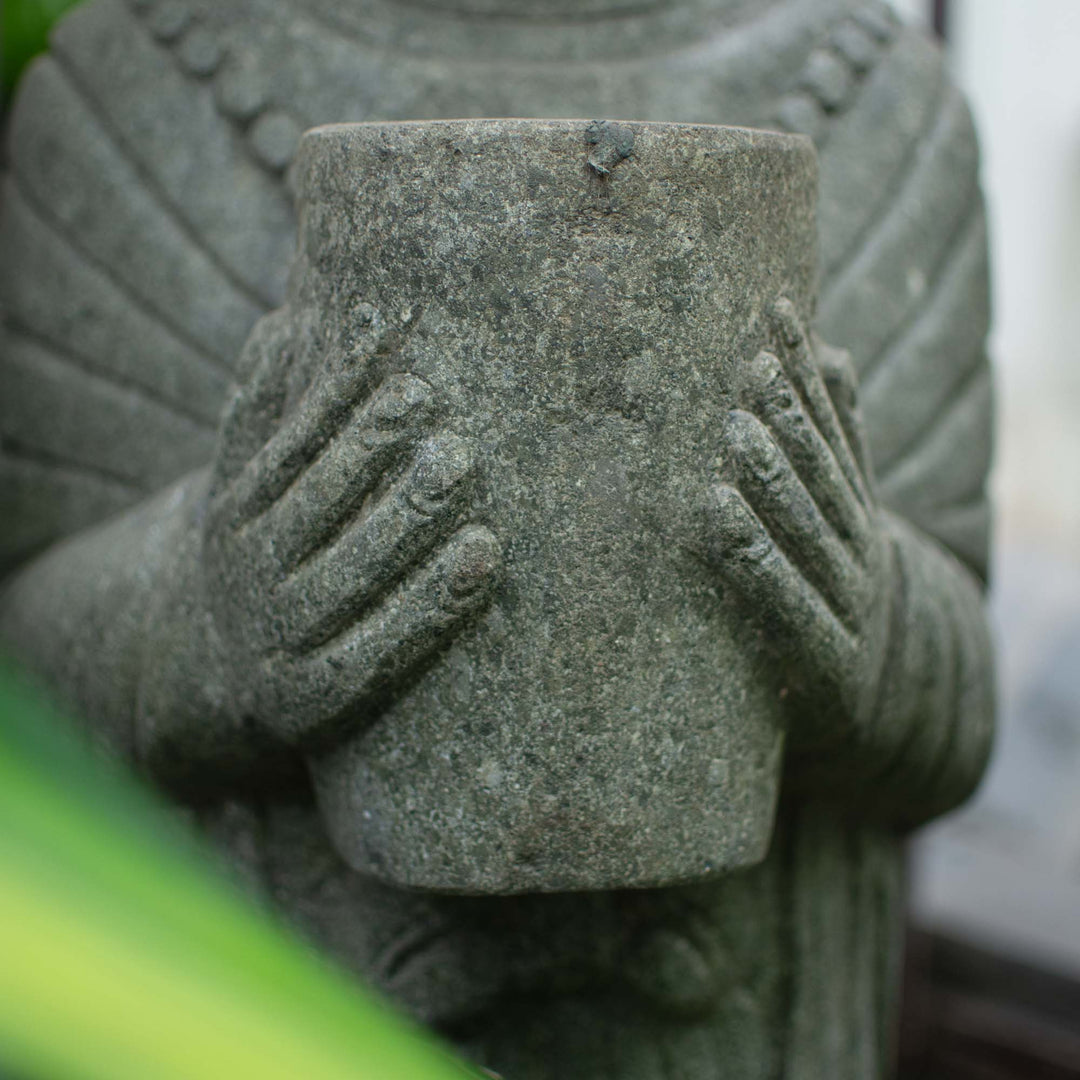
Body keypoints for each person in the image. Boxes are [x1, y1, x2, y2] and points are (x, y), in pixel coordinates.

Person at [0, 0, 993, 1074]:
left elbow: (962, 702)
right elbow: (30, 690)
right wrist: (203, 611)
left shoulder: (872, 91)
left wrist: (873, 615)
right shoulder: (143, 83)